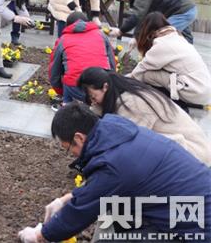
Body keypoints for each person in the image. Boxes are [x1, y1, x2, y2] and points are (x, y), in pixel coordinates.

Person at [18, 103, 211, 242]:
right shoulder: (117, 133)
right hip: (197, 204)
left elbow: (81, 212)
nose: (72, 155)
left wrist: (39, 235)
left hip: (199, 229)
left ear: (79, 137)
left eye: (68, 148)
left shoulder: (114, 165)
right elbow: (101, 188)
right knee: (120, 211)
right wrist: (67, 198)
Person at [78, 67, 211, 165]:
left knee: (133, 151)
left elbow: (124, 143)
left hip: (193, 154)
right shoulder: (123, 91)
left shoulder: (133, 103)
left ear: (105, 87)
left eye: (93, 97)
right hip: (180, 147)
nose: (93, 101)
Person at [129, 12, 211, 108]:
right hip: (204, 91)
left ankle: (167, 99)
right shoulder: (177, 37)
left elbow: (140, 70)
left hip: (195, 92)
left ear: (148, 31)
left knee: (147, 74)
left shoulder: (162, 44)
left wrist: (123, 82)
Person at [48, 12, 116, 106]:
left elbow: (54, 71)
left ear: (67, 26)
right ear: (87, 22)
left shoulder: (63, 40)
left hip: (75, 88)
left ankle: (67, 106)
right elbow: (112, 63)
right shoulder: (101, 35)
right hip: (101, 88)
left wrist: (60, 91)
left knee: (68, 79)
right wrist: (111, 85)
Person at [111, 0, 196, 43]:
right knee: (186, 39)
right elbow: (142, 18)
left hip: (183, 11)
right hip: (181, 10)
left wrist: (120, 31)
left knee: (161, 38)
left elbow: (137, 15)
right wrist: (135, 37)